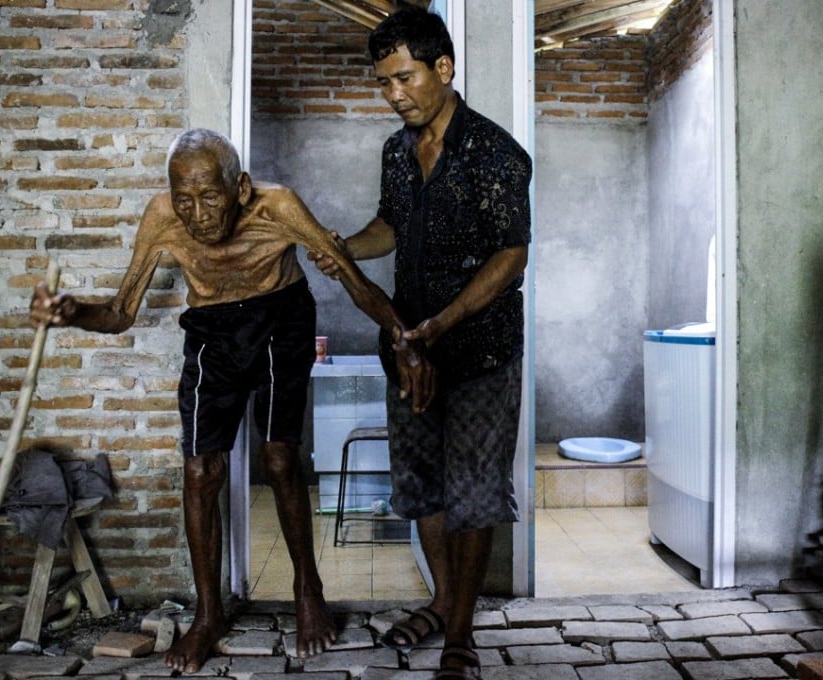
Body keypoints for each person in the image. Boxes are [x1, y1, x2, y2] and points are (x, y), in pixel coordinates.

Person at [29, 128, 435, 673]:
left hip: (280, 316)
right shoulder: (162, 218)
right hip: (211, 332)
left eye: (210, 196)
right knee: (199, 471)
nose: (197, 215)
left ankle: (306, 587)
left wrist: (402, 338)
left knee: (279, 457)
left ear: (239, 188)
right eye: (184, 199)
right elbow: (121, 312)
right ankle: (208, 614)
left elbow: (352, 279)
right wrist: (72, 311)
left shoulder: (279, 206)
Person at [309, 7, 531, 679]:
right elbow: (391, 226)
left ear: (444, 68)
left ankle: (460, 632)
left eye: (404, 78)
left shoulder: (494, 152)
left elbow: (510, 258)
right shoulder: (396, 152)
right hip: (410, 350)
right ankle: (443, 601)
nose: (394, 94)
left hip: (480, 350)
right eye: (383, 83)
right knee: (424, 485)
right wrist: (345, 246)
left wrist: (441, 325)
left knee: (472, 489)